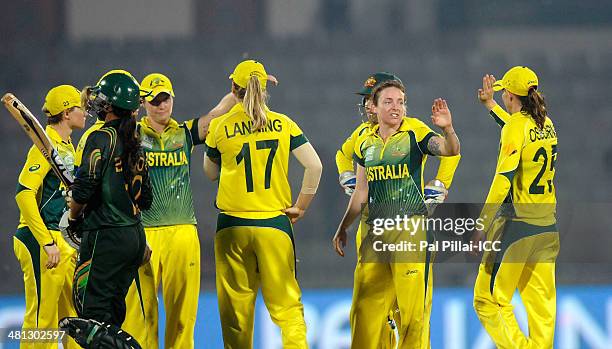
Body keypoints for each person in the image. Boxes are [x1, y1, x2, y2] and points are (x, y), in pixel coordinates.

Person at [335, 72, 461, 347]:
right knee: (367, 315)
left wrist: (439, 182)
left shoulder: (414, 130)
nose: (368, 106)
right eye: (382, 101)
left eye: (400, 101)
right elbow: (350, 171)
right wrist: (346, 181)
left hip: (409, 231)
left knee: (412, 317)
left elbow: (451, 151)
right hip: (374, 231)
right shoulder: (363, 137)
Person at [203, 59, 322, 348]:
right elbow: (315, 166)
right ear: (266, 87)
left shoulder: (220, 127)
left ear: (234, 88)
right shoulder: (284, 124)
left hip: (232, 225)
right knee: (288, 309)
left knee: (236, 316)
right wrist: (301, 206)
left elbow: (210, 173)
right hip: (274, 223)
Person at [121, 72, 243, 349]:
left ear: (172, 99)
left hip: (184, 232)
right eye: (153, 101)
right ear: (143, 103)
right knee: (142, 316)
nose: (160, 105)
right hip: (145, 232)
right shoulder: (132, 135)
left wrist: (245, 86)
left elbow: (219, 111)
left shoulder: (183, 134)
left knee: (182, 316)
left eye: (164, 99)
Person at [60, 71, 153, 349]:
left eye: (102, 98)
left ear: (110, 105)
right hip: (133, 238)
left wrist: (73, 216)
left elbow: (84, 188)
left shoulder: (100, 138)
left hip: (106, 238)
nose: (97, 102)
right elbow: (145, 199)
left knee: (93, 322)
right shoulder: (138, 142)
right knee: (111, 321)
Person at [473, 66, 559, 348]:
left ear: (510, 95)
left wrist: (482, 224)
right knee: (542, 311)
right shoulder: (546, 123)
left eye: (503, 94)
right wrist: (490, 105)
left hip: (518, 229)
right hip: (547, 229)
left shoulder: (516, 126)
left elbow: (503, 181)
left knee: (488, 300)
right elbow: (515, 129)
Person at [13, 85, 85, 349]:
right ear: (67, 112)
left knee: (73, 321)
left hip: (62, 241)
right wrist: (46, 241)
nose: (85, 113)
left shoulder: (67, 147)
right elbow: (23, 194)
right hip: (41, 241)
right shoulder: (44, 147)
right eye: (80, 107)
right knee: (42, 323)